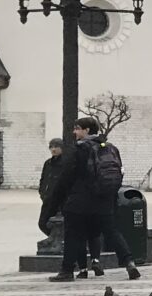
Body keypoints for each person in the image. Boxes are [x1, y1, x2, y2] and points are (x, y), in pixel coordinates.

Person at [41, 116, 139, 282]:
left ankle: (66, 271)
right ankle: (130, 263)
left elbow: (66, 177)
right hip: (104, 201)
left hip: (80, 201)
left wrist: (54, 201)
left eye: (77, 128)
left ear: (86, 131)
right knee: (112, 232)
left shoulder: (80, 149)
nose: (74, 132)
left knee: (73, 234)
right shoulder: (110, 147)